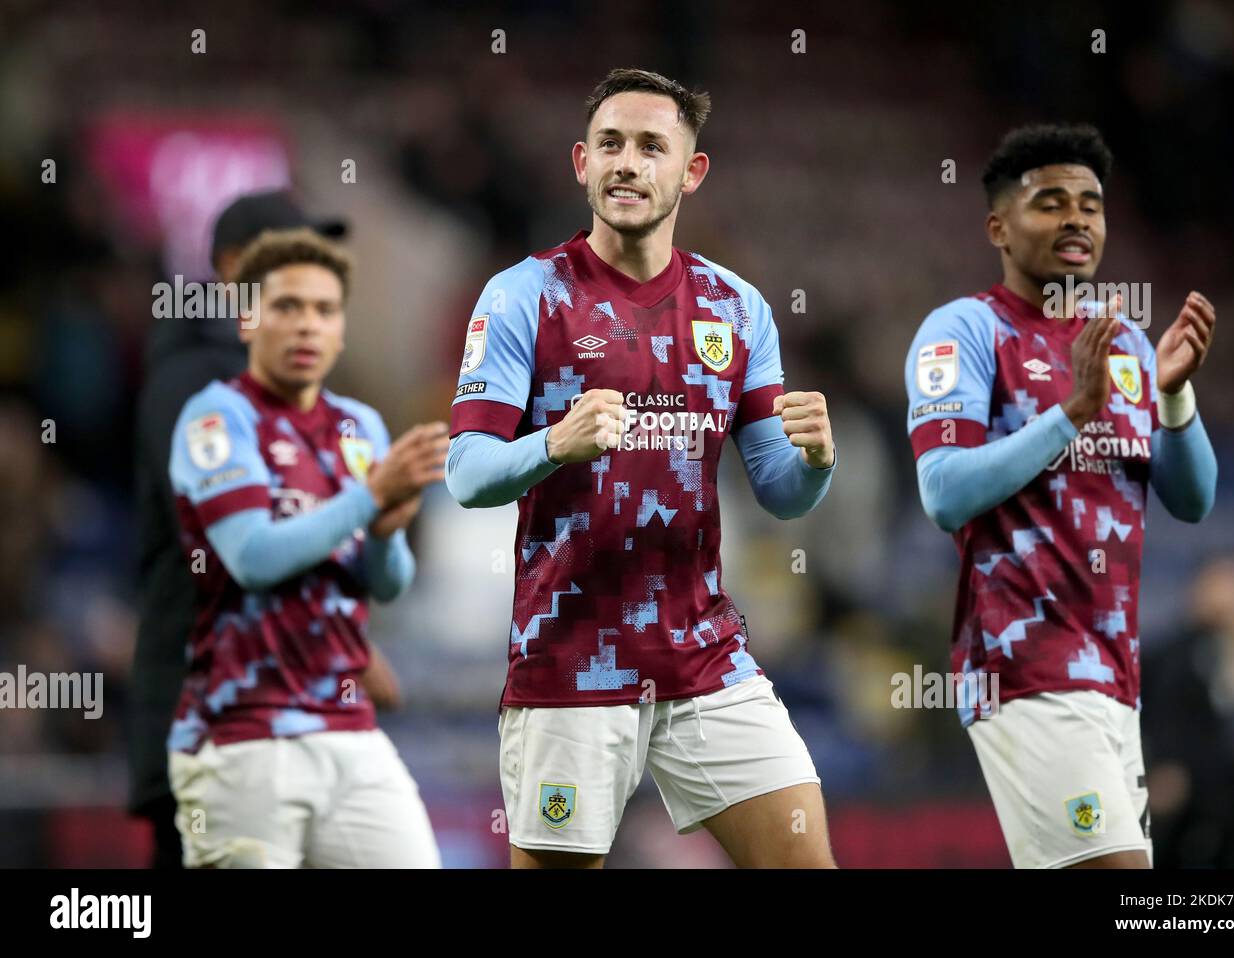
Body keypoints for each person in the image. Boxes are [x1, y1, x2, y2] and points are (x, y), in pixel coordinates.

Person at [446, 68, 837, 869]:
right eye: (611, 144)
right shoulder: (525, 295)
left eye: (652, 147)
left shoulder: (736, 308)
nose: (628, 163)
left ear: (689, 172)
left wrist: (817, 462)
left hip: (705, 658)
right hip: (571, 658)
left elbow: (783, 495)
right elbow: (466, 471)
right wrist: (556, 442)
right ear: (581, 164)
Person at [904, 123, 1217, 868]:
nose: (1077, 218)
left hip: (1113, 674)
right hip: (1024, 666)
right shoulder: (965, 331)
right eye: (1050, 203)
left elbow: (1193, 498)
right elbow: (944, 491)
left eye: (1091, 204)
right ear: (999, 228)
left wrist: (1174, 400)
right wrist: (1071, 412)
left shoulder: (1130, 348)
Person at [166, 228, 447, 867]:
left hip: (348, 730)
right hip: (242, 734)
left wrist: (382, 533)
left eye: (323, 310)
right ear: (247, 320)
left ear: (341, 328)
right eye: (287, 306)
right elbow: (252, 557)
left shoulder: (361, 427)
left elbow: (388, 582)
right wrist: (370, 499)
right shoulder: (216, 419)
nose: (306, 325)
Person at [128, 190, 380, 868]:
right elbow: (230, 539)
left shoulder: (270, 385)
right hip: (204, 711)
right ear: (234, 267)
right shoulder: (191, 384)